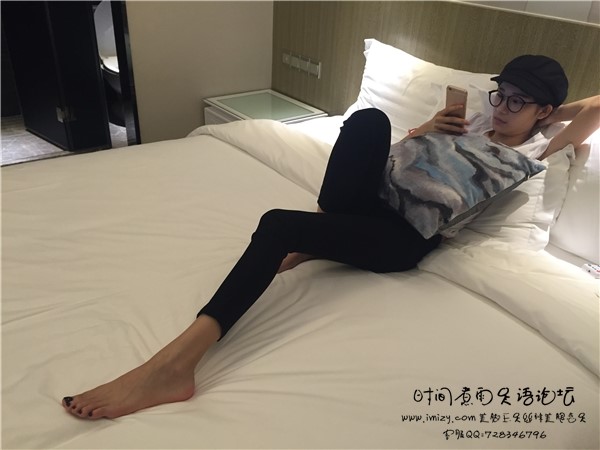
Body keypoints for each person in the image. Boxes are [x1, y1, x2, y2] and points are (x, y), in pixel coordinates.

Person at [62, 55, 599, 420]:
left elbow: (593, 107)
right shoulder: (473, 119)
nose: (501, 108)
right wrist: (428, 129)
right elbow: (402, 157)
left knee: (278, 223)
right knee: (369, 121)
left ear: (545, 111)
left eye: (518, 102)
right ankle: (322, 232)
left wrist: (552, 115)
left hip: (405, 238)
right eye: (499, 94)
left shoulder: (538, 149)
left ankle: (175, 366)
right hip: (376, 199)